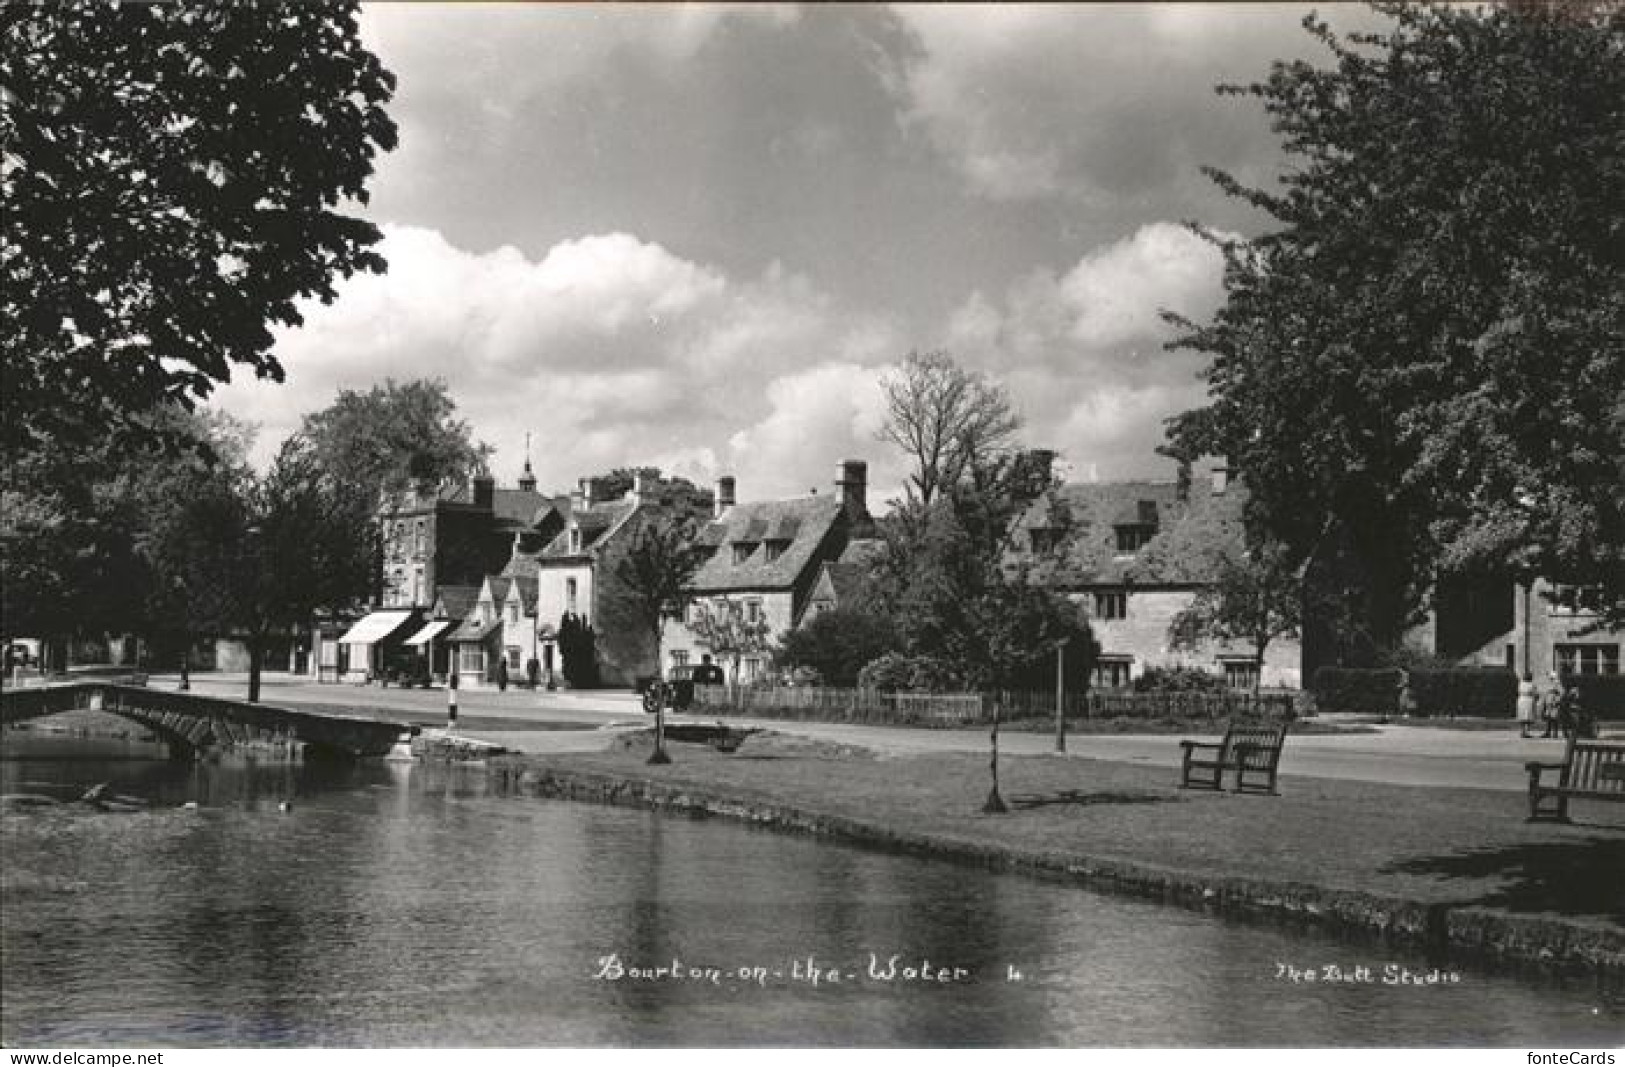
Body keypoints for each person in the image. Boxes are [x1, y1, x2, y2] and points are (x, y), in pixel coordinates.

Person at [1515, 672, 1539, 738]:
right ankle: (1526, 731)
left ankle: (1522, 731)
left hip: (1521, 699)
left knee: (1522, 716)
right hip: (1528, 700)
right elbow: (1535, 693)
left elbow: (1518, 691)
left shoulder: (1521, 684)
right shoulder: (1532, 685)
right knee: (1528, 716)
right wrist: (1536, 698)